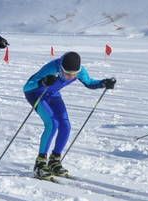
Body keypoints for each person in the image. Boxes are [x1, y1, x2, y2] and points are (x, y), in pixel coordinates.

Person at [21, 51, 114, 179]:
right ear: (61, 68)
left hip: (52, 94)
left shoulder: (80, 71)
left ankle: (55, 160)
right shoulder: (51, 68)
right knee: (52, 124)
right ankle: (40, 164)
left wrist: (103, 83)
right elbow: (27, 87)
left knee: (66, 125)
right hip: (36, 94)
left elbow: (90, 83)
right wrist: (42, 82)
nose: (70, 77)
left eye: (74, 74)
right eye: (67, 74)